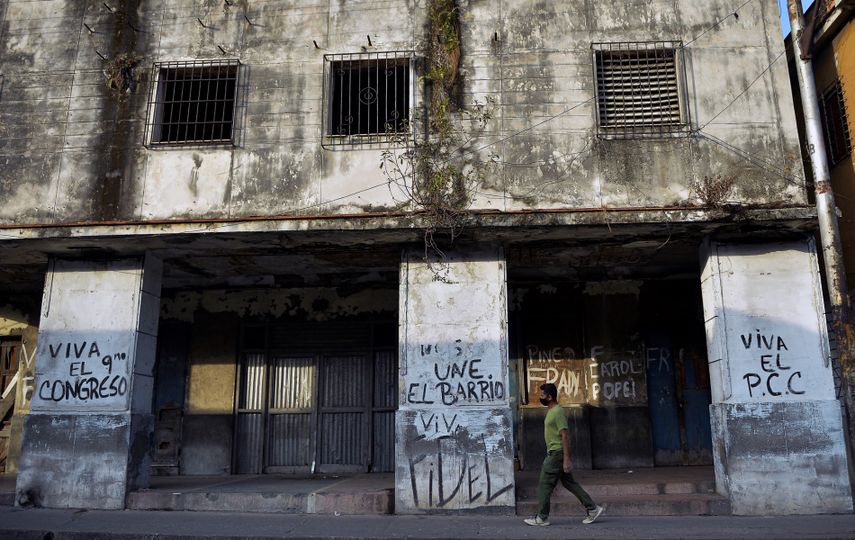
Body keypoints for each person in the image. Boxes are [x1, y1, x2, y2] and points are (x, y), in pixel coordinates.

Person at [523, 383, 604, 526]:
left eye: (542, 395)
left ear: (549, 397)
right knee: (570, 483)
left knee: (544, 485)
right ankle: (592, 509)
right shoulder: (552, 411)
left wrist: (566, 459)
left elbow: (565, 435)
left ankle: (542, 517)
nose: (540, 397)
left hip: (556, 454)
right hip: (556, 453)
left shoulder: (558, 412)